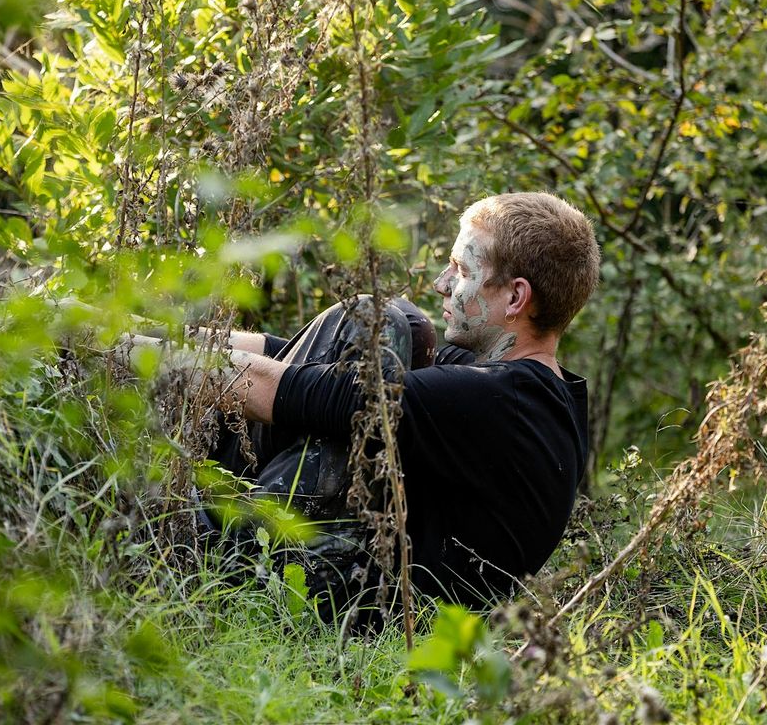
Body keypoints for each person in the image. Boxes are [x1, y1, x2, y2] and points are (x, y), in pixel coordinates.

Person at [144, 192, 599, 610]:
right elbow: (295, 361)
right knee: (406, 330)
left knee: (381, 330)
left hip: (354, 601)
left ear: (517, 297)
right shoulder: (523, 390)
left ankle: (188, 538)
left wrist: (133, 354)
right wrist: (134, 332)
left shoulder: (506, 404)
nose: (442, 284)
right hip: (357, 577)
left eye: (461, 271)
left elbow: (321, 395)